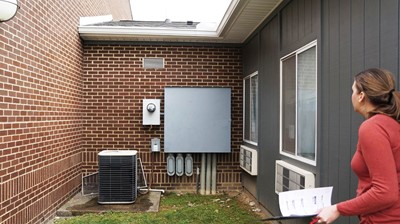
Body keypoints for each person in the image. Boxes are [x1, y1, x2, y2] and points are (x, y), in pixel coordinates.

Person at [316, 68, 400, 223]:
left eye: (353, 90)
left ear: (361, 96)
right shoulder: (391, 124)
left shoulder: (372, 127)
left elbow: (386, 192)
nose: (351, 95)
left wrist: (337, 209)